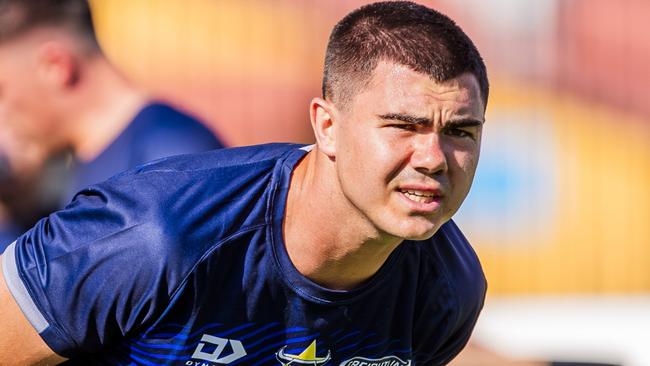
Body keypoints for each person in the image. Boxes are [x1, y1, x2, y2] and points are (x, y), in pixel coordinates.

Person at [0, 1, 488, 364]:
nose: (433, 158)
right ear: (327, 127)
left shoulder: (449, 287)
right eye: (403, 125)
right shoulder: (158, 232)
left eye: (460, 131)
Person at [0, 0, 224, 251]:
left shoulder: (169, 160)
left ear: (55, 66)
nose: (2, 114)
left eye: (2, 92)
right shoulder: (75, 163)